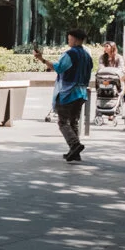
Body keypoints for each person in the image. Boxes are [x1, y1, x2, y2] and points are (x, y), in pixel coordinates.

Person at [34, 28, 93, 164]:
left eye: (70, 38)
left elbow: (59, 67)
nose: (68, 40)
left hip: (68, 92)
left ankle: (74, 145)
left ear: (76, 39)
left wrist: (42, 59)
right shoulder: (87, 55)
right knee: (74, 122)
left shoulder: (70, 54)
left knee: (63, 122)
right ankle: (75, 152)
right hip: (82, 92)